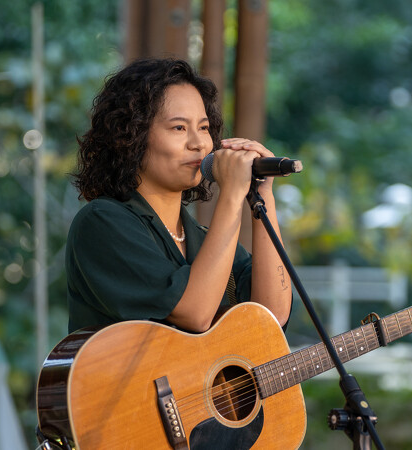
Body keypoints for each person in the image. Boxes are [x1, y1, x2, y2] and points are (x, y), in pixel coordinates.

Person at [65, 58, 292, 335]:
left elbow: (273, 315)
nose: (198, 143)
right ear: (132, 136)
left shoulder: (202, 237)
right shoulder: (101, 222)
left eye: (204, 127)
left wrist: (262, 192)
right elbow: (194, 314)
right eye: (179, 128)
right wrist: (232, 193)